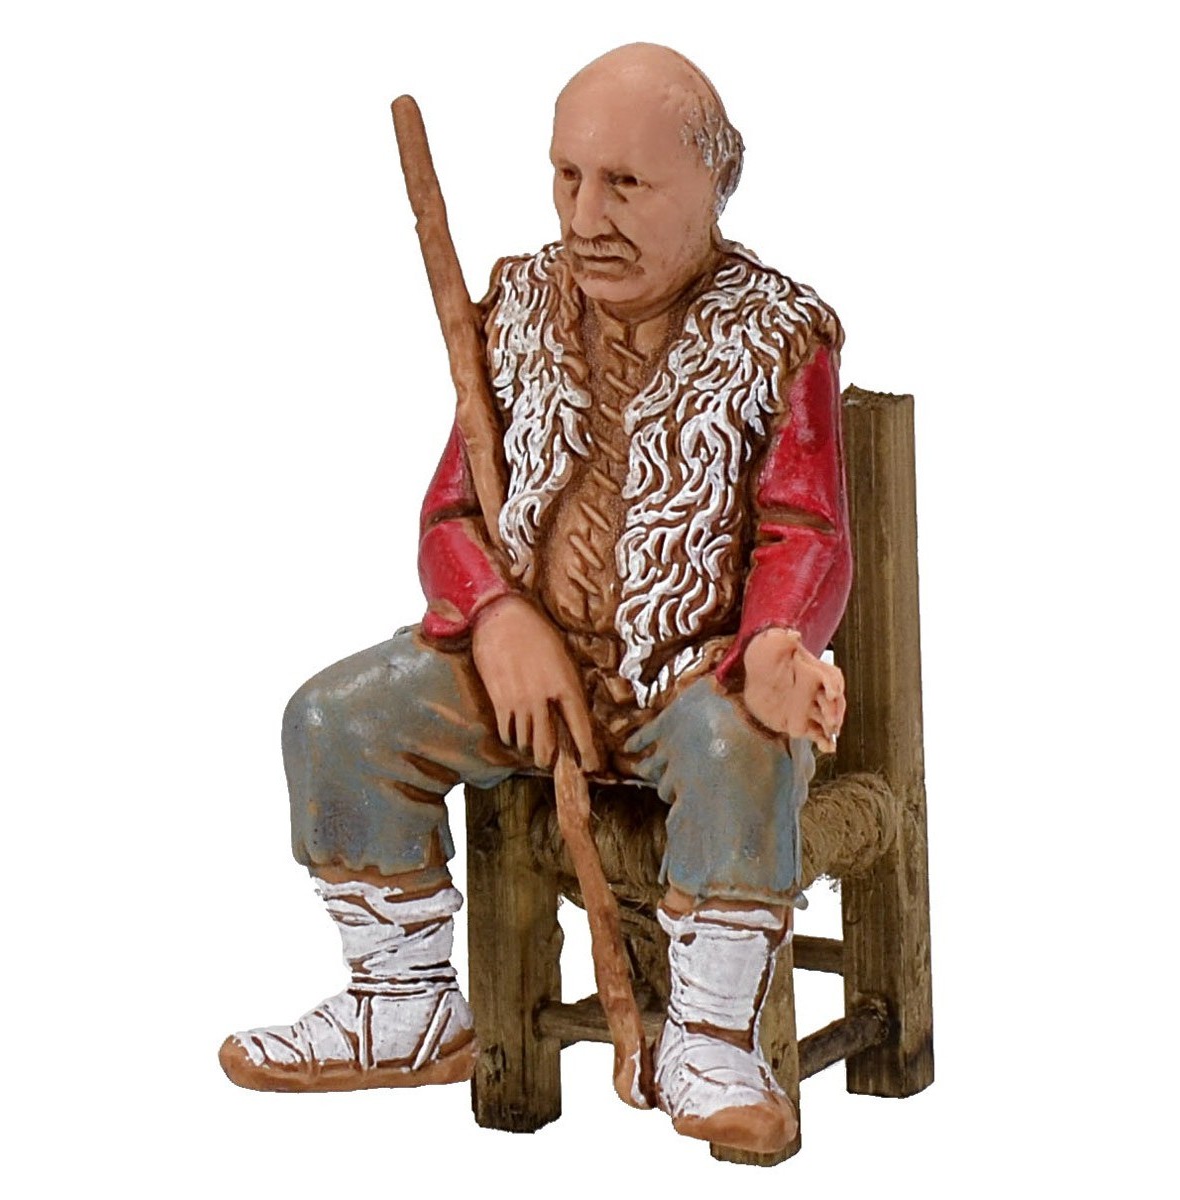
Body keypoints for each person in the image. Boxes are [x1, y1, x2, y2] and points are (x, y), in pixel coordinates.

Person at [220, 42, 850, 1156]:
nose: (586, 216)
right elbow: (452, 515)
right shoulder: (518, 309)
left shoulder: (774, 334)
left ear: (713, 183)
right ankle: (404, 1005)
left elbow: (807, 529)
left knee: (737, 748)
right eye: (568, 177)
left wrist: (769, 651)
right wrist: (498, 617)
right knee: (335, 720)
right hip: (527, 676)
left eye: (626, 184)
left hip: (688, 672)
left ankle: (711, 1038)